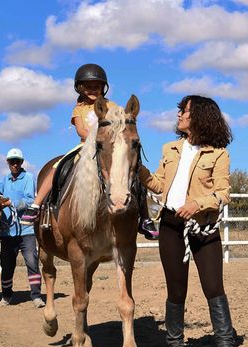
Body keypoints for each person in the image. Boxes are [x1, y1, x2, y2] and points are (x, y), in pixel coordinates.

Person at [138, 95, 241, 347]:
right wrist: (138, 169)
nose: (179, 114)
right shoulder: (170, 149)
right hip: (171, 226)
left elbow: (223, 193)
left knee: (213, 287)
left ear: (200, 116)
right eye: (180, 110)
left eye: (184, 110)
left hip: (203, 228)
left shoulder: (218, 153)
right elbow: (159, 184)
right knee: (176, 290)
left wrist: (198, 203)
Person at [19, 63, 159, 240]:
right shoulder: (79, 109)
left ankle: (145, 218)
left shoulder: (112, 105)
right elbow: (80, 130)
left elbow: (121, 125)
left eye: (97, 86)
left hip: (109, 146)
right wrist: (94, 137)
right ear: (81, 88)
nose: (93, 90)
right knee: (57, 166)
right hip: (85, 145)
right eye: (89, 86)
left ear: (103, 88)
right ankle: (37, 205)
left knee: (134, 172)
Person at [0, 148, 45, 308]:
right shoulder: (5, 180)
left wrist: (12, 202)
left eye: (17, 161)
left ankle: (36, 296)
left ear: (22, 162)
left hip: (26, 230)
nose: (15, 164)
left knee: (32, 261)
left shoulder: (29, 178)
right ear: (8, 163)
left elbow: (30, 198)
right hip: (7, 231)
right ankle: (6, 295)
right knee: (7, 264)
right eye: (12, 161)